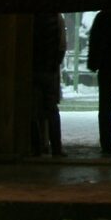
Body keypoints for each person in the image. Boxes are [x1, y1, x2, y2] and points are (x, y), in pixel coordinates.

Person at [86, 7, 111, 157]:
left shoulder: (101, 18)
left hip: (106, 66)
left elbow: (95, 41)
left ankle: (106, 144)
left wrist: (93, 63)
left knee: (104, 107)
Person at [31, 12, 66, 156]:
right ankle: (56, 148)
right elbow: (62, 46)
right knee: (51, 110)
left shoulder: (31, 17)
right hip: (49, 70)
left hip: (32, 69)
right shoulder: (57, 18)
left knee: (33, 109)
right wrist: (55, 64)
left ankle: (36, 148)